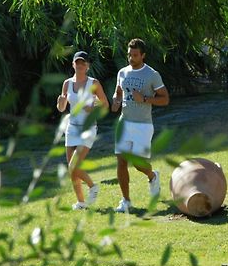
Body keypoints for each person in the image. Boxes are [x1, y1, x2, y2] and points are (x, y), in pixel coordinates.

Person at [111, 38, 170, 212]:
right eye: (129, 54)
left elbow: (165, 99)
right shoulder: (122, 72)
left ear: (143, 55)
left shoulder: (152, 74)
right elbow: (118, 92)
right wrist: (116, 100)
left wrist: (144, 99)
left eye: (135, 55)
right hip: (124, 123)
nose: (131, 58)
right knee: (121, 161)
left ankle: (152, 176)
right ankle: (126, 201)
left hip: (143, 124)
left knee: (138, 164)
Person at [57, 51, 109, 210]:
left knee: (74, 166)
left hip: (88, 128)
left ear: (87, 66)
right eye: (77, 62)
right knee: (72, 170)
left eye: (83, 63)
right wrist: (61, 102)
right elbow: (61, 108)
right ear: (73, 64)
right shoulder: (67, 83)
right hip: (72, 128)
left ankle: (93, 187)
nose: (80, 65)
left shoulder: (93, 83)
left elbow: (105, 104)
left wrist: (92, 106)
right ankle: (81, 203)